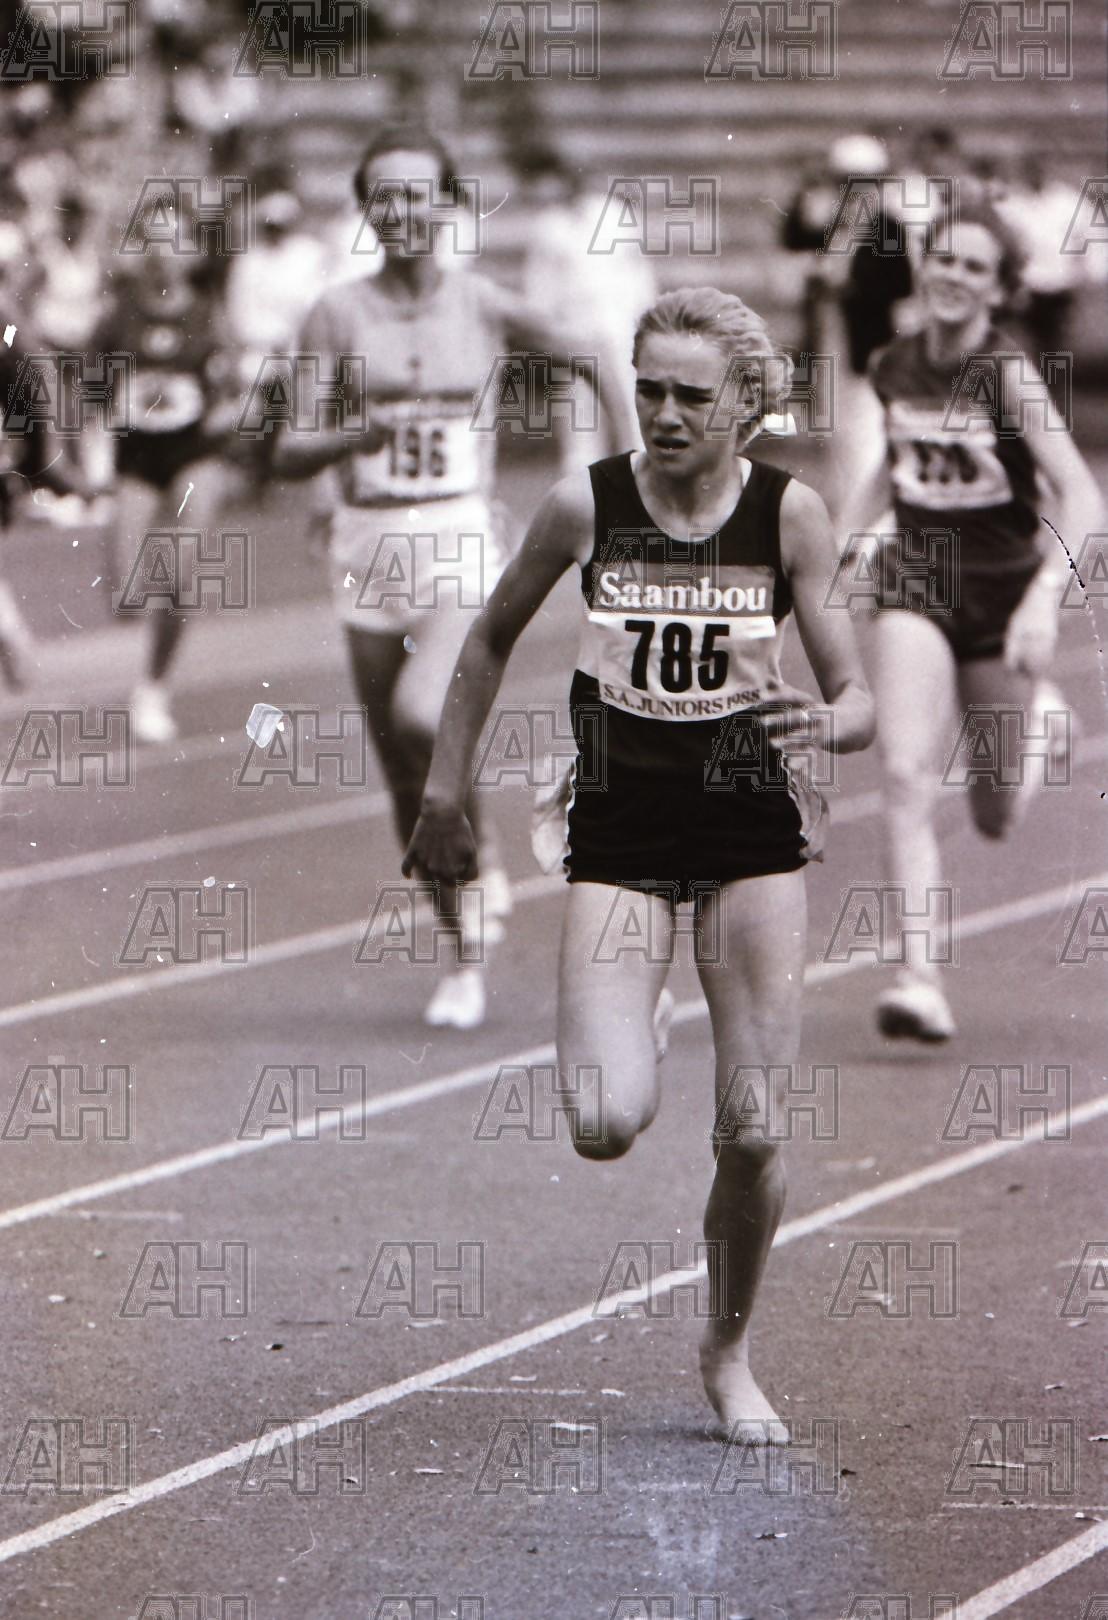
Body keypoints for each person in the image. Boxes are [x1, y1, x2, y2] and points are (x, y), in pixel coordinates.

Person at [402, 287, 874, 1438]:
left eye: (690, 397)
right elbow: (487, 638)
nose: (663, 413)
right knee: (604, 1122)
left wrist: (832, 722)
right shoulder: (588, 503)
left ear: (745, 404)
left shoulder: (789, 515)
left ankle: (726, 1350)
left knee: (753, 1129)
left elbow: (855, 694)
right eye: (649, 389)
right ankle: (641, 1009)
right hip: (619, 830)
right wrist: (444, 792)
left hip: (748, 830)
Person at [273, 125, 636, 1032]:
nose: (402, 210)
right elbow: (287, 447)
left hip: (458, 534)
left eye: (418, 193)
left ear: (446, 206)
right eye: (384, 195)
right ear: (367, 209)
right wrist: (350, 435)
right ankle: (464, 949)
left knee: (421, 714)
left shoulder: (483, 303)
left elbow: (595, 354)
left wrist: (633, 471)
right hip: (367, 547)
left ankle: (476, 870)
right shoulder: (335, 313)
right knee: (404, 774)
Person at [838, 203, 1103, 1040]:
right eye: (944, 258)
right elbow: (893, 461)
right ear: (925, 266)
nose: (953, 276)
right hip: (915, 581)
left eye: (975, 267)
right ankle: (918, 979)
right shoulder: (892, 363)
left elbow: (1082, 495)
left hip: (1000, 595)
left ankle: (1040, 725)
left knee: (996, 817)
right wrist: (846, 535)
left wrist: (1043, 597)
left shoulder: (1005, 374)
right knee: (905, 773)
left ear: (1001, 289)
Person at [96, 236, 245, 742]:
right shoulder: (119, 317)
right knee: (126, 595)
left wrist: (227, 415)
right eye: (153, 242)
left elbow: (236, 388)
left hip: (192, 452)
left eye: (173, 242)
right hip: (137, 457)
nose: (162, 254)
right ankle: (147, 655)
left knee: (181, 575)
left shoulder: (207, 315)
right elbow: (87, 389)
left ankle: (154, 686)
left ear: (190, 253)